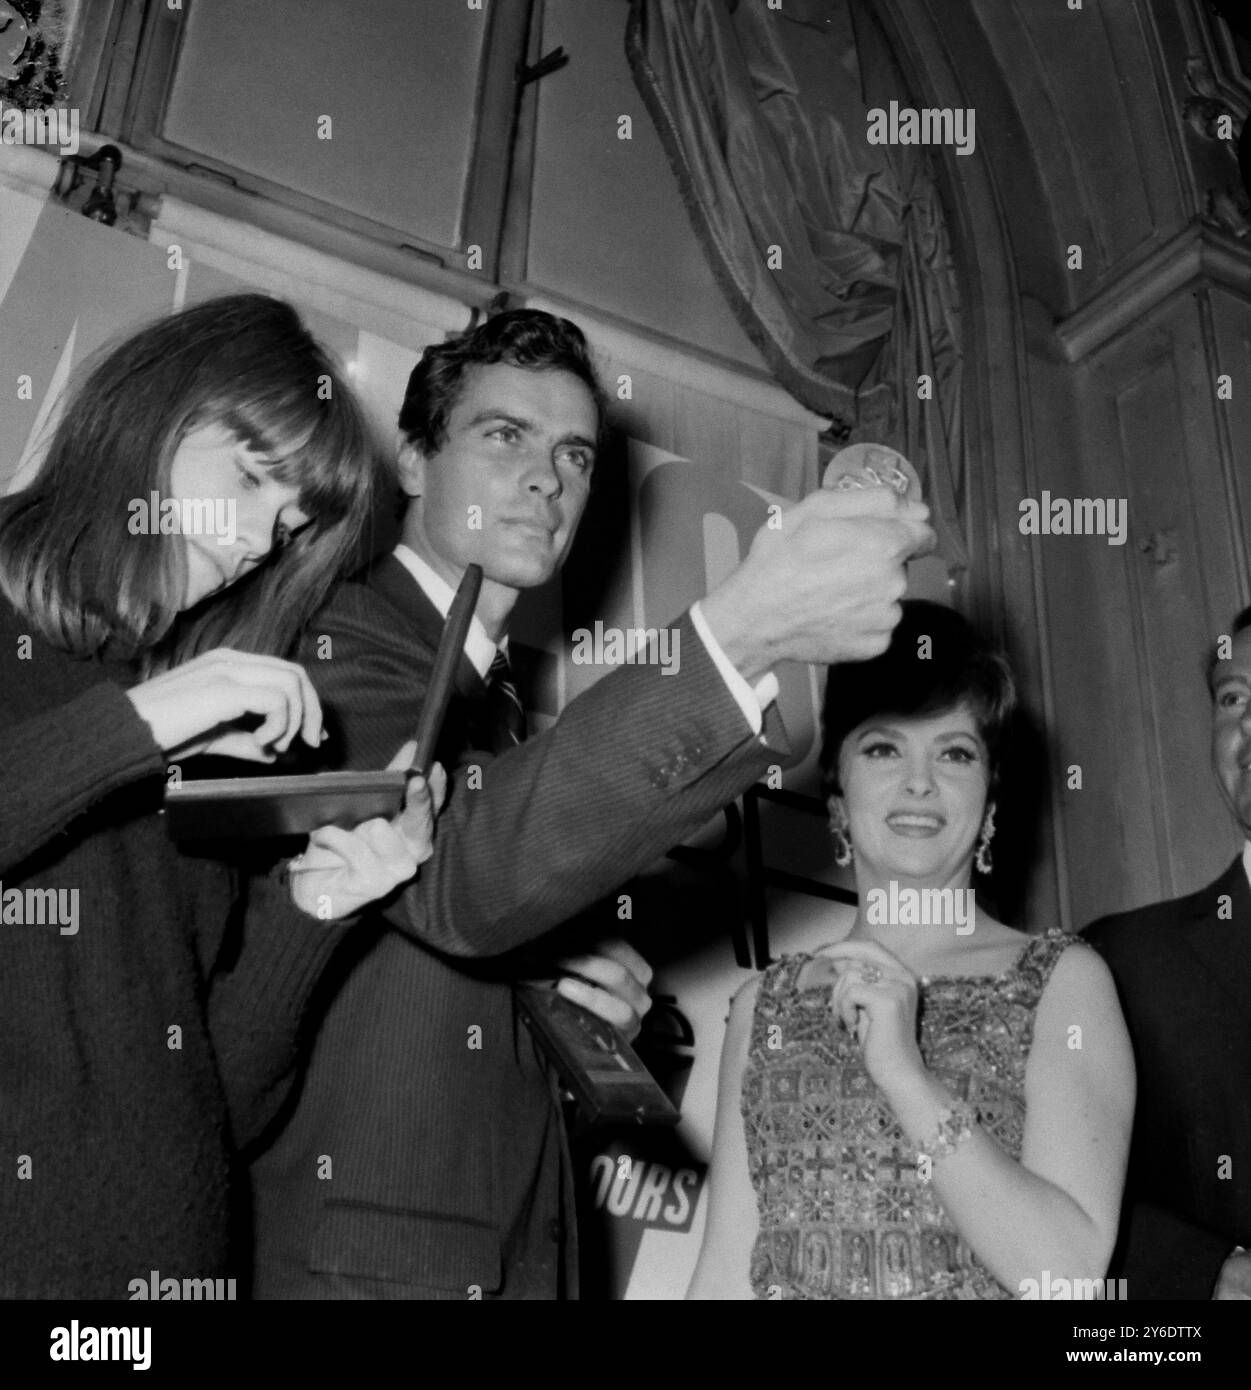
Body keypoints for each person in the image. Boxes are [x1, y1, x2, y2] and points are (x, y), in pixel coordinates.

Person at [247, 308, 935, 1299]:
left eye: (574, 451)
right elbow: (454, 878)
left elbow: (455, 934)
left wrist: (572, 1018)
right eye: (503, 435)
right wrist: (738, 631)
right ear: (409, 461)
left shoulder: (501, 710)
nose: (547, 476)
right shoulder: (334, 638)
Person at [0, 294, 439, 1298]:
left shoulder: (201, 735)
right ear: (150, 412)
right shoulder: (160, 712)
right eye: (248, 477)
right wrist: (138, 724)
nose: (256, 541)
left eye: (288, 523)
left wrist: (312, 913)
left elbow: (213, 1108)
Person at [689, 600, 1135, 1299]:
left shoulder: (1059, 983)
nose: (919, 781)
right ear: (836, 795)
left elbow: (1065, 1277)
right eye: (883, 747)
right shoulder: (764, 1005)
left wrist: (905, 1076)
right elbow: (723, 1277)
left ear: (989, 802)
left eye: (954, 752)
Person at [1084, 606, 1251, 1300]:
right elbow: (1051, 1180)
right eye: (1233, 697)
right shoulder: (1117, 965)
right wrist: (1206, 1273)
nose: (1247, 725)